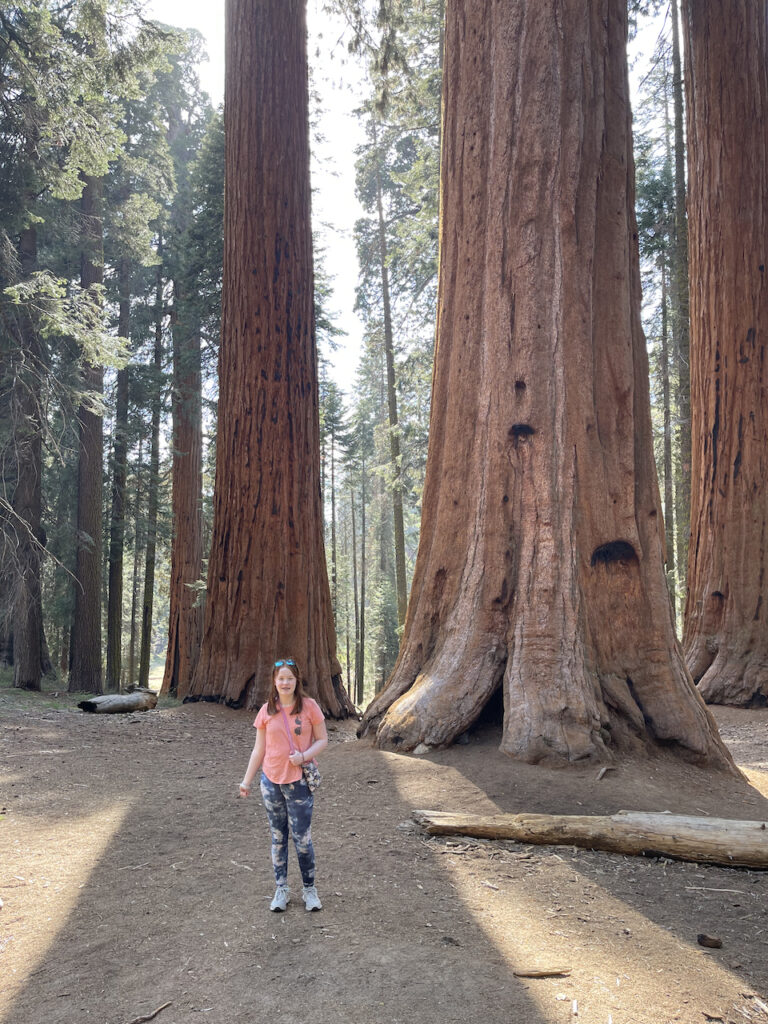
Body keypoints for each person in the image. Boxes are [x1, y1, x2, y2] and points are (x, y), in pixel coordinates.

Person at [239, 657, 328, 912]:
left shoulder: (310, 707)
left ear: (296, 680)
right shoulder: (267, 710)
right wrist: (247, 780)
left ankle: (309, 889)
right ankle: (281, 889)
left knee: (302, 838)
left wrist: (304, 756)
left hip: (298, 782)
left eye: (290, 678)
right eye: (281, 678)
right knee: (278, 838)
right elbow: (259, 749)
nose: (285, 682)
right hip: (271, 782)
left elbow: (323, 740)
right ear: (274, 682)